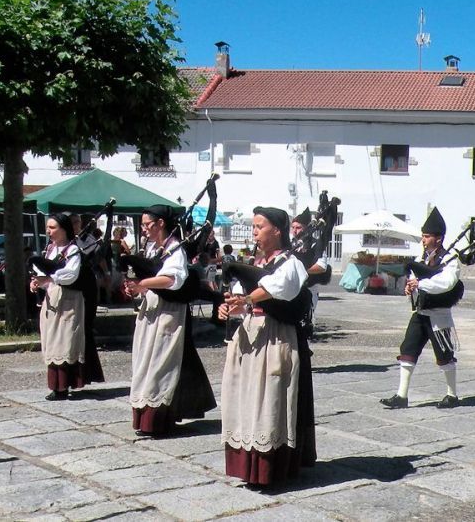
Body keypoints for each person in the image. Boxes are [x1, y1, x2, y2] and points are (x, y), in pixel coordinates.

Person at [219, 206, 313, 486]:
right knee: (248, 396)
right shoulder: (257, 263)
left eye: (260, 226)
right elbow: (245, 297)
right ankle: (248, 462)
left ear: (278, 230)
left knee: (270, 397)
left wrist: (247, 299)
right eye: (254, 227)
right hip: (251, 335)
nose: (255, 232)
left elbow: (277, 288)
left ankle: (270, 466)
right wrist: (230, 308)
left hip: (276, 337)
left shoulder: (290, 263)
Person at [125, 205, 217, 438]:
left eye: (147, 224)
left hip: (169, 313)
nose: (144, 229)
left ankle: (158, 421)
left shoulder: (175, 250)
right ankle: (149, 417)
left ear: (160, 224)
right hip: (152, 309)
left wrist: (144, 283)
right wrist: (137, 288)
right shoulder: (154, 248)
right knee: (148, 362)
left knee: (162, 364)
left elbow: (172, 279)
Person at [380, 207, 461, 409]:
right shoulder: (421, 259)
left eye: (426, 237)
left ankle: (452, 395)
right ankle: (401, 395)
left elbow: (447, 283)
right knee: (408, 350)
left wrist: (421, 284)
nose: (423, 240)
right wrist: (411, 287)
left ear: (439, 239)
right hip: (420, 313)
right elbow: (415, 277)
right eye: (422, 236)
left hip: (439, 315)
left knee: (444, 355)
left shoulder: (450, 259)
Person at [29, 214, 88, 400]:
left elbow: (71, 274)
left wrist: (50, 278)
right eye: (48, 227)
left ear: (64, 229)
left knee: (64, 340)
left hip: (68, 300)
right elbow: (42, 272)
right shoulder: (50, 249)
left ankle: (63, 386)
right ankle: (56, 385)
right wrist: (37, 282)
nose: (49, 231)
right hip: (52, 298)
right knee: (51, 340)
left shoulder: (73, 250)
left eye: (53, 227)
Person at [69, 214, 105, 383]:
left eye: (77, 222)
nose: (75, 225)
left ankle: (88, 372)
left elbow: (95, 258)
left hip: (86, 284)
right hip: (69, 287)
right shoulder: (63, 241)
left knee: (85, 327)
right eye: (71, 223)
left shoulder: (87, 238)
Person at [290, 208, 330, 318]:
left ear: (306, 228)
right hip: (291, 288)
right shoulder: (289, 245)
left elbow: (321, 267)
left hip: (309, 289)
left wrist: (301, 271)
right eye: (293, 227)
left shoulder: (316, 244)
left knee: (306, 320)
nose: (294, 231)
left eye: (298, 227)